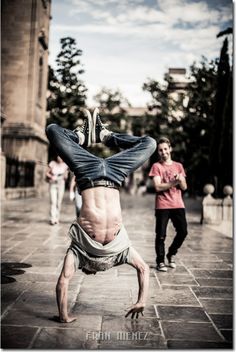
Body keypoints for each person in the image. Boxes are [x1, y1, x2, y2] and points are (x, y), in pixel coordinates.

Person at [46, 108, 156, 323]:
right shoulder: (121, 252)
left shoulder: (78, 253)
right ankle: (106, 136)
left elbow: (63, 282)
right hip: (115, 174)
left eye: (92, 271)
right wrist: (142, 300)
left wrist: (64, 315)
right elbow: (144, 269)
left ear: (87, 267)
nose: (95, 270)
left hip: (86, 172)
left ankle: (81, 137)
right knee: (150, 143)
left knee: (52, 130)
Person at [149, 137, 188, 272]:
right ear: (158, 152)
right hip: (163, 205)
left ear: (170, 149)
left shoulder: (179, 166)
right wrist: (173, 183)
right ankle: (160, 261)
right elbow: (158, 187)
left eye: (165, 149)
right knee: (161, 235)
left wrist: (180, 179)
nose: (163, 152)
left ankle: (171, 253)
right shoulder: (156, 166)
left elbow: (184, 187)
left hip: (178, 204)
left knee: (183, 232)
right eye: (160, 150)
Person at [46, 156, 68, 225]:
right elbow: (47, 173)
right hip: (53, 184)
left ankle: (57, 218)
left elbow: (66, 177)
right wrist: (51, 176)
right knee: (53, 201)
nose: (59, 158)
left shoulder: (65, 165)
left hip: (61, 184)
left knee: (59, 202)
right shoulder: (52, 163)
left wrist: (65, 174)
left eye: (61, 156)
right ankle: (52, 218)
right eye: (58, 156)